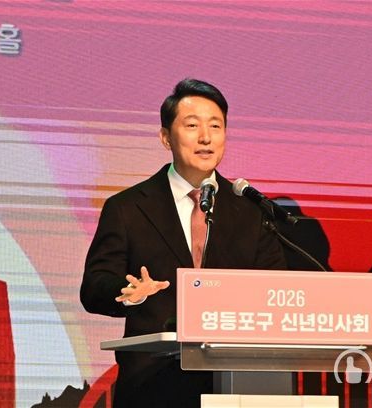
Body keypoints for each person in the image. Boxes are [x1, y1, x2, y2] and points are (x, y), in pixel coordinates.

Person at [80, 78, 287, 408]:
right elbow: (94, 287)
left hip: (236, 384)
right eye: (192, 125)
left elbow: (275, 290)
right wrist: (129, 291)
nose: (206, 137)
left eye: (215, 126)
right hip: (153, 386)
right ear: (166, 137)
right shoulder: (128, 208)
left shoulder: (251, 211)